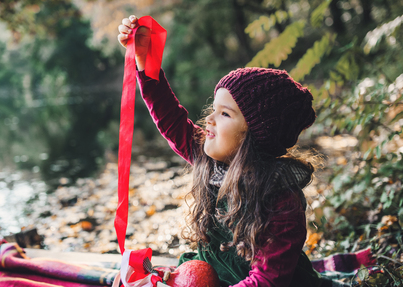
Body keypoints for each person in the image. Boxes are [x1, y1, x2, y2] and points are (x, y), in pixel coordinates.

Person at [118, 15, 327, 287]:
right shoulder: (210, 160)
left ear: (255, 135)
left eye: (225, 114)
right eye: (213, 109)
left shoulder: (280, 199)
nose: (210, 119)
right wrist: (145, 59)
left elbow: (267, 281)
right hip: (218, 277)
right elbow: (170, 117)